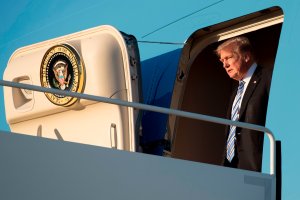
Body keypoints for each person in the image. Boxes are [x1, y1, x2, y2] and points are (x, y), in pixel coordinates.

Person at [215, 36, 272, 172]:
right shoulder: (236, 91)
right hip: (232, 167)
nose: (225, 65)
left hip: (258, 166)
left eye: (228, 58)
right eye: (222, 61)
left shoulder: (268, 78)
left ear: (246, 57)